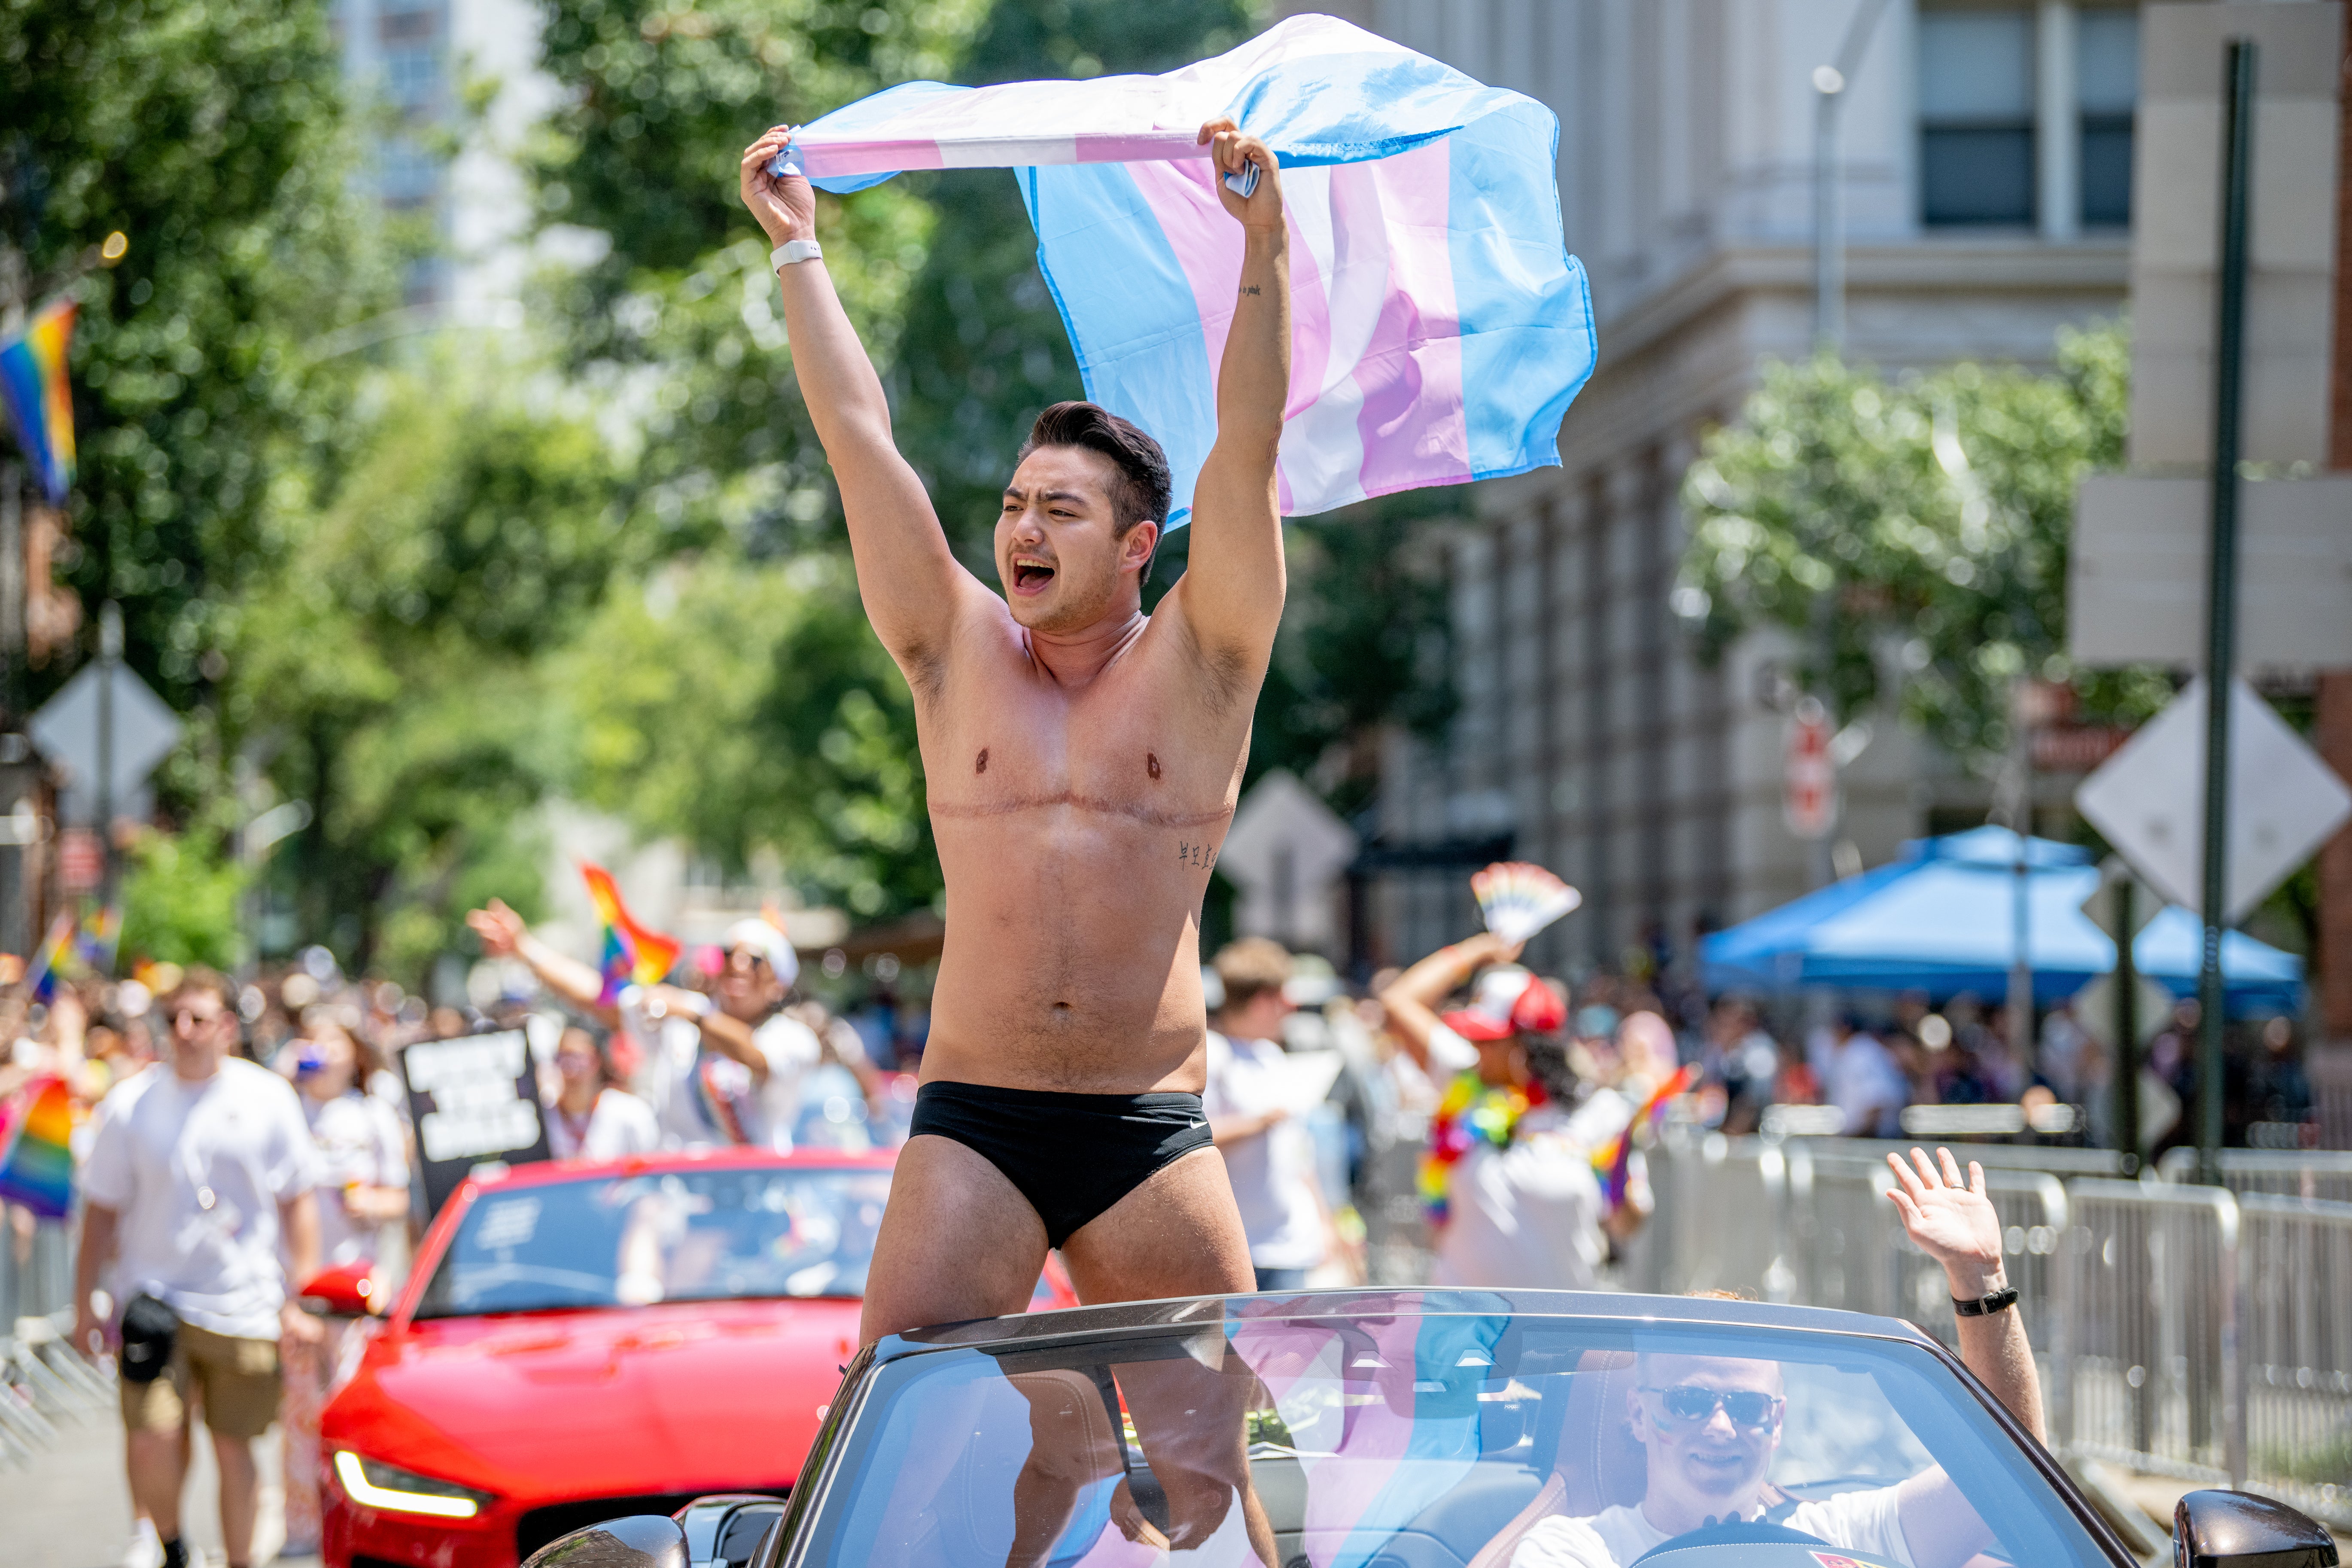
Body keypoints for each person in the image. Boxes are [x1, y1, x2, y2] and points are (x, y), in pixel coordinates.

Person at [737, 114, 1293, 1337]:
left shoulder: (1207, 658)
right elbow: (855, 434)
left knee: (1221, 1477)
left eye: (1060, 509)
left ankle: (1092, 1456)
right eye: (1011, 504)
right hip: (973, 1117)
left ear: (1140, 543)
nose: (1021, 529)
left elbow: (1245, 453)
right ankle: (1052, 1446)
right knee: (897, 1448)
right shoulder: (951, 644)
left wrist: (1265, 249)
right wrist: (796, 250)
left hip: (1144, 1123)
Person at [1506, 1148, 2047, 1568]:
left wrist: (1979, 1277)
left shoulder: (1842, 1535)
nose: (1719, 1427)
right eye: (1689, 1401)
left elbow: (2009, 1474)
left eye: (1745, 1408)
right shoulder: (1573, 1550)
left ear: (1777, 1421)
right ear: (1638, 1416)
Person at [72, 969, 323, 1568]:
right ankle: (175, 1545)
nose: (183, 1031)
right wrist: (86, 1300)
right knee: (154, 1435)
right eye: (173, 1019)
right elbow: (100, 1211)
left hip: (245, 1302)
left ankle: (238, 1558)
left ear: (227, 1027)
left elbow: (299, 1201)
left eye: (198, 1018)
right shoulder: (130, 1102)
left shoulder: (267, 1096)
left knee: (235, 1447)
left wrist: (303, 1299)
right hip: (155, 1300)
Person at [466, 904, 871, 1151]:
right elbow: (599, 997)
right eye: (730, 954)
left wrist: (693, 1015)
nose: (738, 965)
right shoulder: (685, 1014)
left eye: (756, 960)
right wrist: (524, 948)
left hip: (755, 1201)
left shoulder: (791, 1036)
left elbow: (756, 1059)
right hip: (679, 1197)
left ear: (778, 983)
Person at [1380, 933, 1627, 1290]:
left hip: (1559, 1332)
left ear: (1528, 1045)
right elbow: (1397, 1001)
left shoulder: (1599, 1112)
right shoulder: (1464, 1085)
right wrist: (1477, 951)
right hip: (1464, 1329)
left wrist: (1623, 1189)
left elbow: (1626, 1222)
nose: (1473, 1047)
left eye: (1488, 1040)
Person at [278, 1014, 411, 1558]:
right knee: (300, 1411)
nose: (321, 1050)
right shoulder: (286, 1110)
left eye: (332, 1040)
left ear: (354, 1054)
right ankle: (301, 1524)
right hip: (301, 1291)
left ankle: (364, 1521)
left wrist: (369, 1203)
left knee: (354, 1411)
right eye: (313, 1040)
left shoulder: (372, 1114)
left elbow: (402, 1199)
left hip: (359, 1289)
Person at [1201, 939, 1330, 1291]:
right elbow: (1195, 1139)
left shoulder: (1270, 1055)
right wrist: (1258, 1122)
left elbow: (1298, 1153)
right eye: (1285, 1001)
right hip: (1240, 1246)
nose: (1290, 1011)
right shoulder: (1213, 1054)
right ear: (1263, 1002)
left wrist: (1326, 1222)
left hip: (1291, 1245)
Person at [545, 1022, 662, 1160]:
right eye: (564, 1058)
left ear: (597, 1060)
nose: (571, 1069)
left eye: (578, 1059)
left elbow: (653, 1167)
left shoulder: (630, 1111)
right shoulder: (545, 1117)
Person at [1825, 1013, 1908, 1137]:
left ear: (1845, 1029)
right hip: (1860, 1134)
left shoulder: (1862, 1052)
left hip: (1872, 1136)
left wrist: (1861, 1136)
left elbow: (1877, 1101)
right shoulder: (1857, 1050)